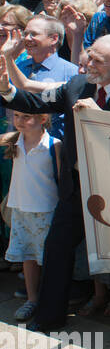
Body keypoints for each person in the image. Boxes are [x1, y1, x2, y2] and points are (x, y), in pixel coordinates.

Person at [0, 35, 110, 331]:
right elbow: (34, 100)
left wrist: (100, 117)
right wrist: (7, 89)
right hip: (78, 183)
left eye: (97, 60)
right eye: (89, 56)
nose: (89, 64)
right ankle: (48, 318)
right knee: (57, 247)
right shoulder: (77, 85)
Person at [3, 109, 59, 323]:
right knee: (28, 256)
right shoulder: (15, 142)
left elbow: (62, 180)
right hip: (21, 209)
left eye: (25, 116)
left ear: (43, 118)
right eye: (16, 116)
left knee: (47, 258)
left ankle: (49, 299)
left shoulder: (54, 145)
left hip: (46, 209)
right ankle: (32, 298)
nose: (19, 121)